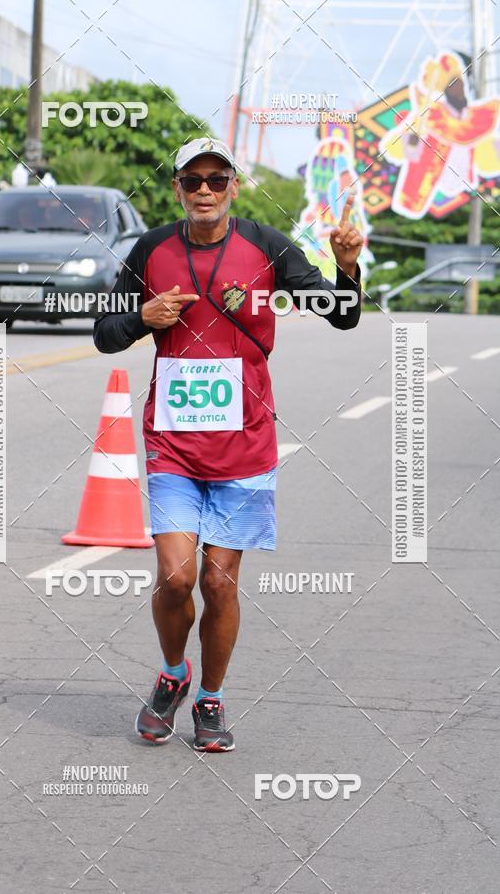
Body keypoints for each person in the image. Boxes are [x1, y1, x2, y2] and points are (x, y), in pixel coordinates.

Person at [93, 136, 364, 752]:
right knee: (176, 576)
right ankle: (172, 674)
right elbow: (105, 334)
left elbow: (341, 312)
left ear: (234, 186)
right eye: (194, 182)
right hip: (174, 444)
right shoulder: (151, 249)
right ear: (178, 190)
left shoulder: (268, 248)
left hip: (244, 442)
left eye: (217, 180)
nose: (206, 191)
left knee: (219, 583)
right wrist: (143, 319)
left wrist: (347, 267)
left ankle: (210, 699)